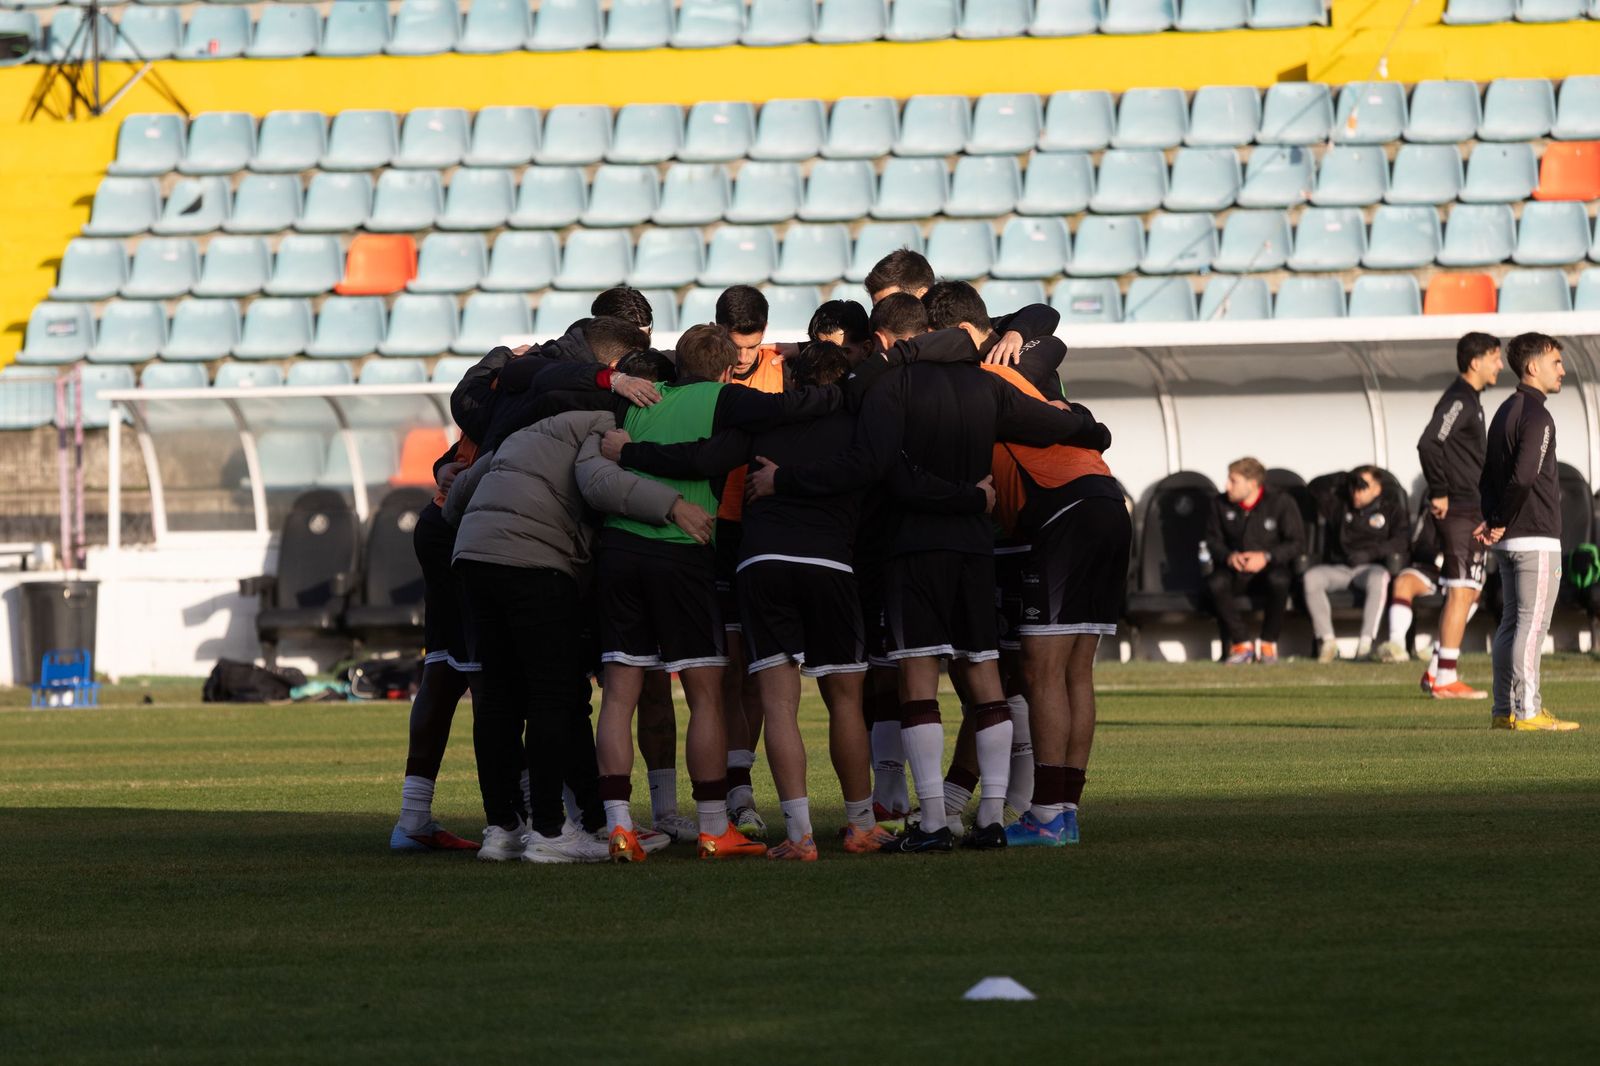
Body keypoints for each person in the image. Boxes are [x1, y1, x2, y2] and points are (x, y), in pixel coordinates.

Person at [604, 343, 977, 858]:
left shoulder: (764, 423)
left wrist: (630, 453)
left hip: (760, 565)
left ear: (793, 383)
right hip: (829, 564)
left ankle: (799, 835)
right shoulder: (860, 423)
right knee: (845, 701)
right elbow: (884, 473)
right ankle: (859, 824)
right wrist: (972, 495)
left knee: (779, 705)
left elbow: (701, 458)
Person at [748, 327, 1112, 853]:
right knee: (984, 674)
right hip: (974, 550)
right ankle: (990, 816)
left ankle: (935, 822)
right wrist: (1089, 426)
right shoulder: (988, 384)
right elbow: (1053, 423)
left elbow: (877, 468)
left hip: (913, 546)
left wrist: (788, 480)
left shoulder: (890, 385)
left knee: (918, 679)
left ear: (893, 335)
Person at [593, 325, 841, 862]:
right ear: (729, 369)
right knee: (706, 692)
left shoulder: (639, 398)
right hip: (683, 547)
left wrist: (633, 454)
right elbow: (737, 441)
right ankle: (712, 825)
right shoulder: (725, 397)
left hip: (618, 547)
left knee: (619, 694)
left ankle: (619, 826)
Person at [444, 354, 702, 862]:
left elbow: (462, 493)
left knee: (495, 698)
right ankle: (549, 832)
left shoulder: (526, 430)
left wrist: (473, 528)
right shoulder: (600, 426)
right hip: (534, 563)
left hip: (473, 557)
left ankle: (502, 830)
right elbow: (599, 482)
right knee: (554, 695)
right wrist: (672, 504)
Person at [921, 281, 1130, 848]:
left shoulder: (983, 378)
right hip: (1105, 500)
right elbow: (1048, 337)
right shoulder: (1018, 362)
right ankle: (1061, 812)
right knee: (1074, 671)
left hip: (1061, 510)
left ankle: (1042, 813)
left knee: (1039, 670)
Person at [711, 284, 786, 837]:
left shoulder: (784, 370)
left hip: (763, 529)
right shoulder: (689, 372)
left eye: (751, 348)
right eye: (734, 348)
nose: (742, 359)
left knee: (759, 671)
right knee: (723, 669)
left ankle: (741, 786)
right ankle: (730, 793)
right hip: (710, 531)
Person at [1476, 333, 1579, 732]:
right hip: (1534, 535)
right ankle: (1529, 710)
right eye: (1556, 362)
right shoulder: (1537, 416)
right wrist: (1499, 519)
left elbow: (1487, 477)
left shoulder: (1504, 410)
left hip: (1510, 538)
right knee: (1532, 625)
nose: (1562, 370)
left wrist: (1493, 520)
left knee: (1510, 623)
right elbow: (1523, 478)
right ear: (1533, 367)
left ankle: (1504, 709)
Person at [1392, 333, 1502, 698]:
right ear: (1476, 362)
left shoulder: (1471, 400)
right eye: (1495, 358)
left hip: (1472, 506)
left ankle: (1437, 669)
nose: (1500, 365)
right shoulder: (1459, 400)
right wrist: (1439, 491)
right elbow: (1429, 442)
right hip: (1460, 507)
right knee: (1461, 590)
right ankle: (1446, 679)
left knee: (1471, 590)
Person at [1203, 458, 1306, 664]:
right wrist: (1229, 557)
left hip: (1269, 568)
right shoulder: (1219, 504)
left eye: (1233, 481)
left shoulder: (1281, 502)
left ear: (1252, 484)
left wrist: (1266, 557)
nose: (1227, 486)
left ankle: (1268, 644)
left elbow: (1297, 543)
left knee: (1280, 580)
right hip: (1236, 571)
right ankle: (1242, 644)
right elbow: (1212, 541)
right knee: (1215, 583)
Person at [1303, 466, 1408, 662]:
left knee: (1379, 578)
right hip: (1340, 568)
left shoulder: (1391, 509)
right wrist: (1344, 477)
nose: (1356, 492)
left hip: (1370, 568)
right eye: (1354, 486)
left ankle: (1366, 644)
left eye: (1363, 487)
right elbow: (1314, 488)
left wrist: (1370, 553)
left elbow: (1401, 541)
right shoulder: (1340, 506)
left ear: (1377, 489)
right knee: (1311, 578)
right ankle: (1328, 643)